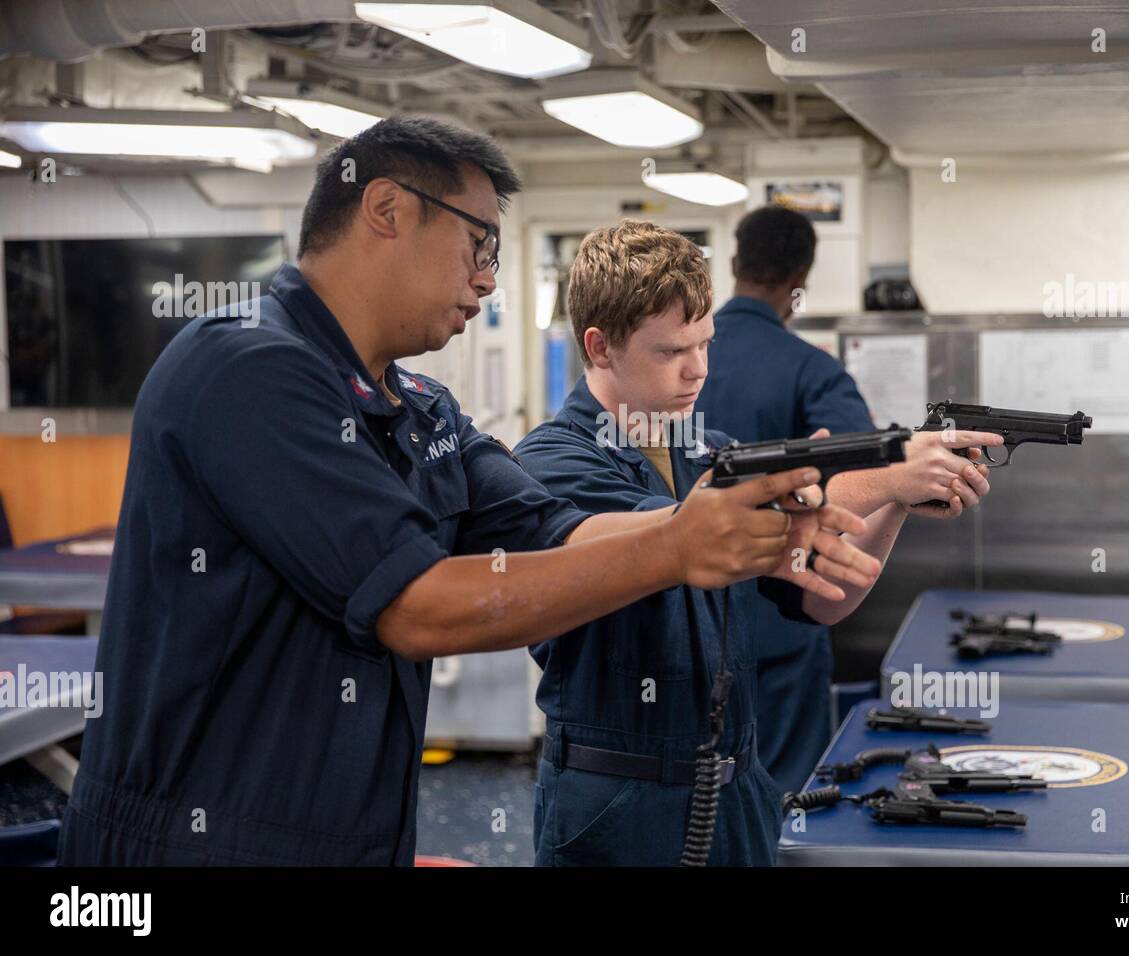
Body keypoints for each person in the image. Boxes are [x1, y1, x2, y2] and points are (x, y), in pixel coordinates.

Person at [57, 120, 829, 866]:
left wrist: (712, 522)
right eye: (479, 241)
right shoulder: (248, 366)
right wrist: (675, 546)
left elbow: (554, 534)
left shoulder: (419, 405)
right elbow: (413, 605)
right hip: (198, 841)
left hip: (350, 829)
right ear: (386, 209)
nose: (489, 277)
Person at [514, 220, 998, 865]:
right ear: (600, 347)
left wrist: (895, 501)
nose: (698, 370)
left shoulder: (709, 453)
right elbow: (697, 533)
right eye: (670, 352)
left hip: (735, 785)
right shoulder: (554, 462)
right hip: (619, 796)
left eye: (705, 344)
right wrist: (890, 471)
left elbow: (824, 601)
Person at [694, 204, 996, 795]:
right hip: (783, 627)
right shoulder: (812, 371)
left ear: (732, 263)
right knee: (786, 800)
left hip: (684, 628)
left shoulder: (677, 365)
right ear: (800, 278)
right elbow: (877, 466)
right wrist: (909, 485)